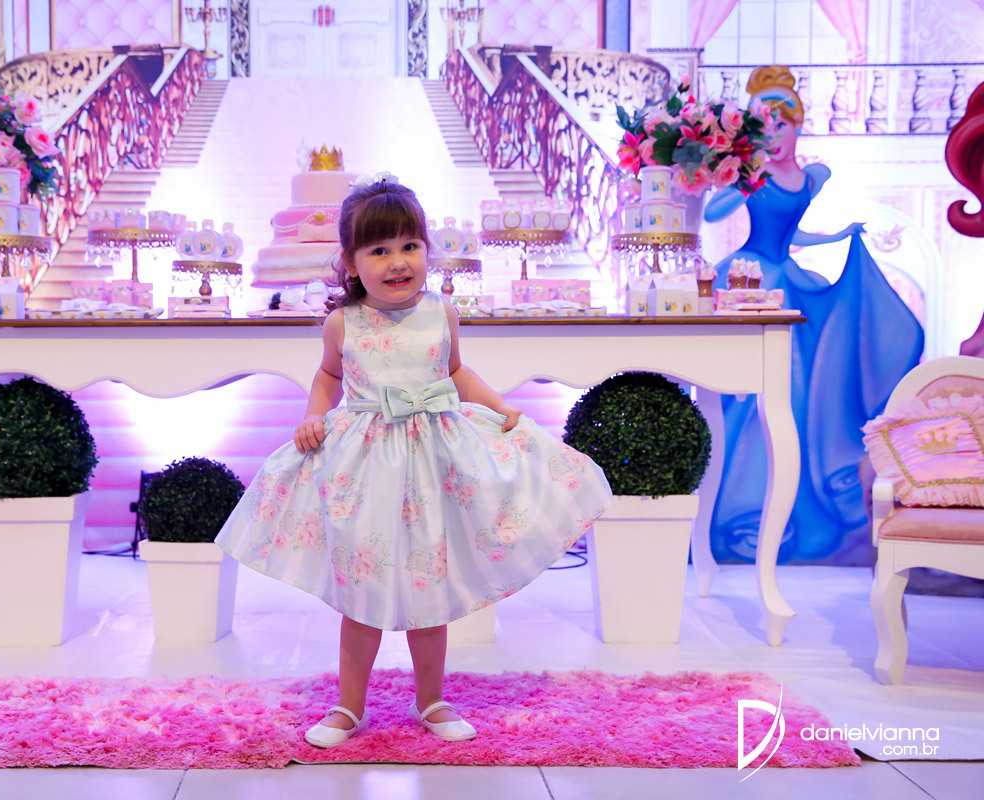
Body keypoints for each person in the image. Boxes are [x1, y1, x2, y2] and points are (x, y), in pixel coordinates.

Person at [215, 176, 612, 748]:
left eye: (409, 246)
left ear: (427, 250)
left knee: (430, 586)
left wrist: (499, 406)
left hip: (434, 463)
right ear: (351, 264)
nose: (397, 261)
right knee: (362, 589)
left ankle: (432, 700)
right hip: (367, 467)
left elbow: (456, 372)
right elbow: (328, 375)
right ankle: (350, 706)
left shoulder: (440, 313)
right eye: (379, 250)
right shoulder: (343, 323)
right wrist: (313, 414)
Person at [702, 66, 923, 564]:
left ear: (798, 125)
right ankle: (736, 507)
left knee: (796, 392)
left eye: (782, 124)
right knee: (742, 392)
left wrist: (840, 236)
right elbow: (715, 215)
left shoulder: (812, 178)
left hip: (788, 279)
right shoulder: (752, 173)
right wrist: (734, 173)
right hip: (748, 275)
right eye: (764, 126)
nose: (774, 135)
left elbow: (794, 234)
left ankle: (791, 505)